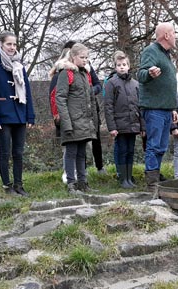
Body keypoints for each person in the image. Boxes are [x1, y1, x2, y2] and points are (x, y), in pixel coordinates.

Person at [0, 32, 35, 197]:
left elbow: (27, 92)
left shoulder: (20, 66)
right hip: (2, 116)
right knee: (5, 152)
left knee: (18, 153)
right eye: (9, 44)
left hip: (20, 114)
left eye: (14, 44)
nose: (12, 48)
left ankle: (19, 184)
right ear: (1, 45)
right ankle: (7, 186)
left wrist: (30, 116)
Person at [137, 22, 178, 190]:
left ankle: (156, 173)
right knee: (154, 145)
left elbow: (166, 84)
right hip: (154, 108)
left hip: (165, 109)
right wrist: (149, 73)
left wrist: (172, 107)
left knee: (161, 146)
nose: (176, 36)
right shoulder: (151, 51)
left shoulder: (166, 55)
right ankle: (152, 181)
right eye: (174, 33)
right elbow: (141, 74)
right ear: (166, 35)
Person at [55, 43, 98, 193]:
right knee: (71, 153)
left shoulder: (85, 74)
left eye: (87, 57)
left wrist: (93, 121)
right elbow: (59, 98)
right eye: (82, 57)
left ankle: (83, 182)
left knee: (82, 154)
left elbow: (91, 99)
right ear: (73, 57)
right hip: (72, 122)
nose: (85, 60)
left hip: (84, 122)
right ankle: (71, 184)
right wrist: (66, 123)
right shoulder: (65, 74)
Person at [104, 51, 143, 189]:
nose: (122, 67)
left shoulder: (136, 84)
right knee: (122, 150)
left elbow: (140, 106)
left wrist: (142, 127)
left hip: (133, 124)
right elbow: (108, 106)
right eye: (119, 65)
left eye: (124, 64)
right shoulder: (111, 83)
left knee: (131, 151)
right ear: (115, 67)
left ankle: (129, 177)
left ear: (129, 66)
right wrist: (112, 127)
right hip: (120, 125)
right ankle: (122, 178)